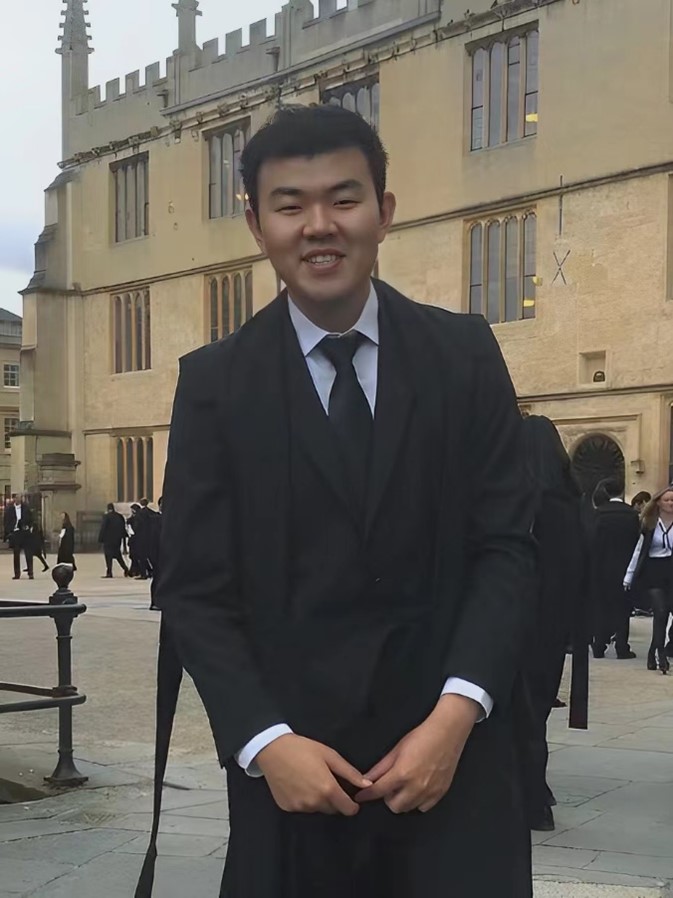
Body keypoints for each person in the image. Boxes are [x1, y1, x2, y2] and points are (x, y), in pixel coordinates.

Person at [141, 104, 535, 898]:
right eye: (290, 205)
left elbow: (506, 547)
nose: (318, 226)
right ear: (257, 225)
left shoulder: (463, 355)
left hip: (452, 772)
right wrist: (264, 741)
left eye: (343, 199)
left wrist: (456, 714)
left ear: (383, 212)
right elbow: (194, 589)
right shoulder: (215, 385)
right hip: (295, 785)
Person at [517, 416, 586, 832]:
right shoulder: (573, 505)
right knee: (537, 709)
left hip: (519, 620)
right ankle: (537, 794)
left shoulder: (521, 502)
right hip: (554, 625)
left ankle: (529, 798)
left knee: (518, 711)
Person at [624, 485, 673, 674]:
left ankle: (653, 649)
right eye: (667, 500)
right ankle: (661, 654)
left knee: (667, 611)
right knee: (660, 611)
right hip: (653, 571)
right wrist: (629, 576)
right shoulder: (650, 523)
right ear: (658, 502)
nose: (670, 503)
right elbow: (639, 551)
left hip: (671, 569)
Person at [591, 479, 641, 660]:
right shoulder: (631, 515)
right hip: (625, 567)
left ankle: (599, 645)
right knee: (623, 608)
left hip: (601, 567)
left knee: (601, 606)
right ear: (622, 491)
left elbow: (593, 542)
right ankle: (621, 647)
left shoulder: (598, 514)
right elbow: (636, 542)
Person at [3, 494, 34, 580]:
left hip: (25, 533)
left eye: (20, 498)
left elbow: (31, 519)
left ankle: (30, 573)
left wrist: (29, 527)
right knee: (16, 554)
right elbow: (6, 521)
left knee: (28, 553)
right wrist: (9, 532)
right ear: (14, 499)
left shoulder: (26, 508)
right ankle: (17, 573)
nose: (18, 499)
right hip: (15, 533)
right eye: (17, 498)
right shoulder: (9, 509)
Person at [98, 503, 130, 578]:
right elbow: (123, 527)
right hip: (117, 540)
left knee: (108, 556)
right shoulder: (119, 516)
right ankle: (125, 568)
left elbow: (103, 527)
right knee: (118, 555)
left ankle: (109, 572)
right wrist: (123, 537)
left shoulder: (107, 517)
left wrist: (100, 538)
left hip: (108, 540)